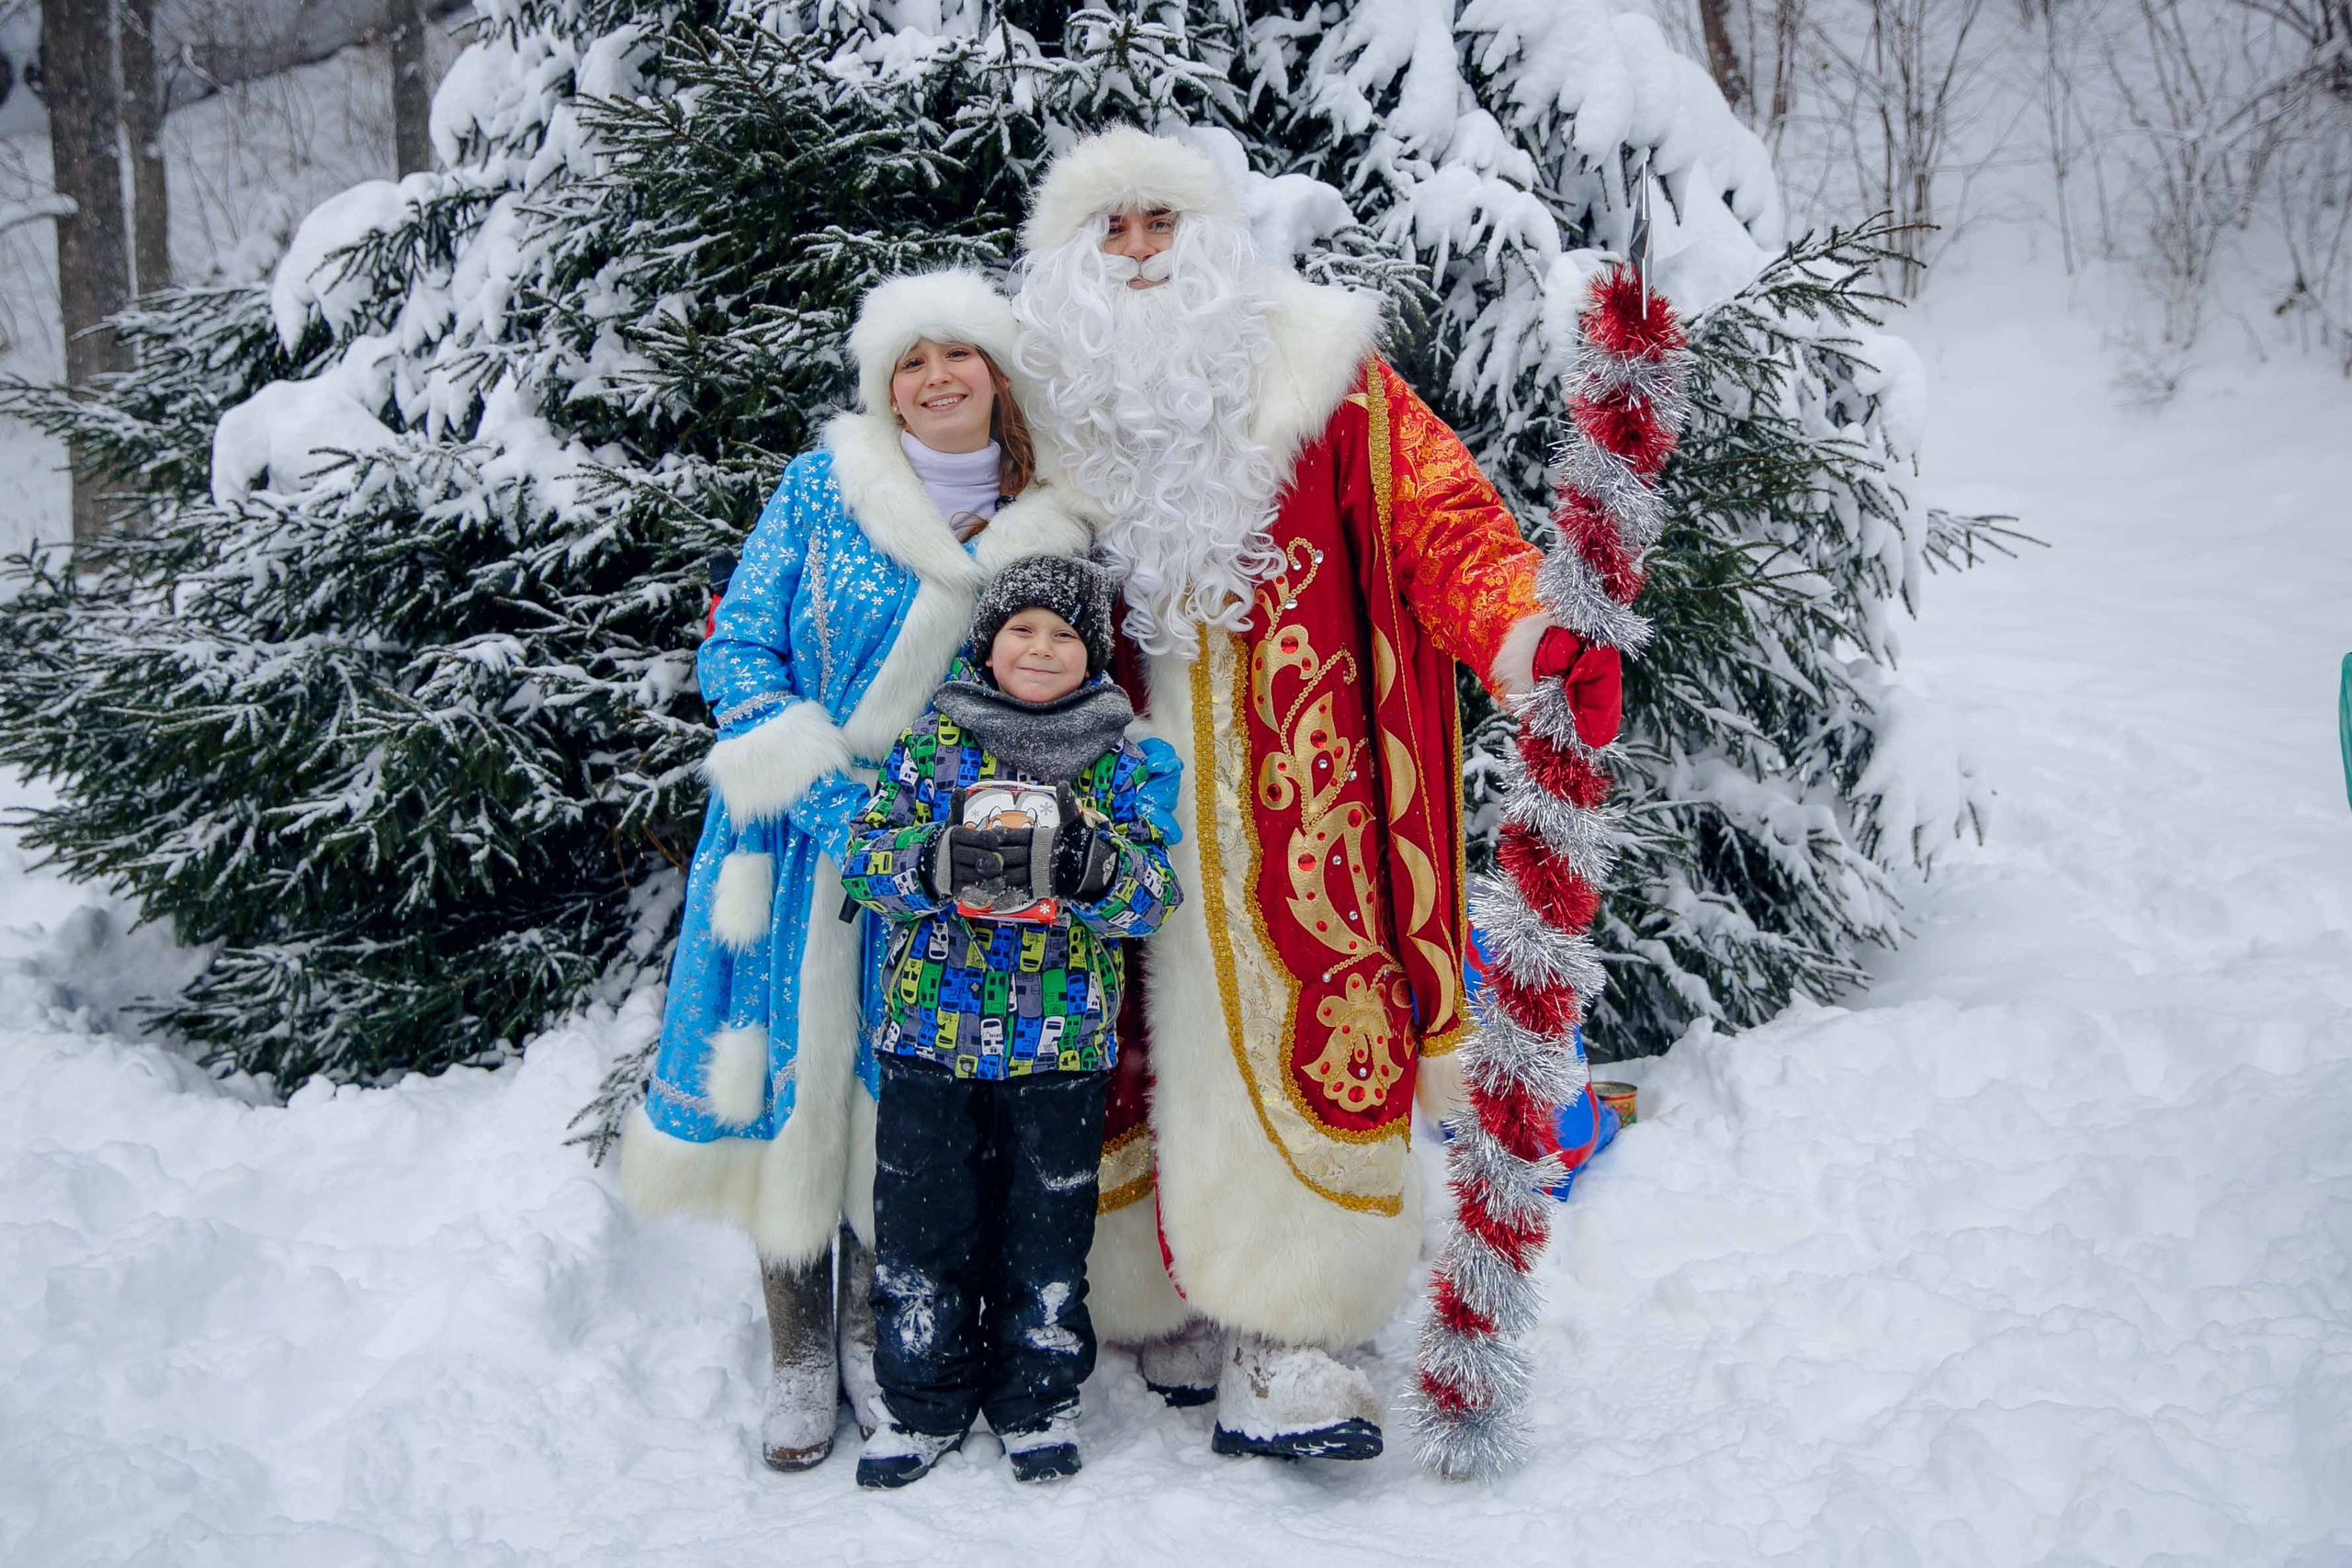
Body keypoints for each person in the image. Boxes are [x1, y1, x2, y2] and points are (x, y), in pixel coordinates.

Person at [1011, 127, 1626, 1460]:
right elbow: (933, 542)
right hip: (1095, 796)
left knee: (1302, 1022)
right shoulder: (1031, 402)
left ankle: (1290, 1331)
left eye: (1161, 224)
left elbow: (1445, 520)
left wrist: (1531, 632)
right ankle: (1148, 1296)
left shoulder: (1323, 377)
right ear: (1066, 258)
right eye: (1109, 231)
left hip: (1295, 799)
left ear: (1213, 239)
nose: (1137, 255)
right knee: (1104, 1028)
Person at [618, 270, 1099, 1472]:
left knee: (904, 1098)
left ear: (998, 373)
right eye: (910, 361)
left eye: (958, 354)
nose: (936, 378)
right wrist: (829, 794)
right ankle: (794, 1344)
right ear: (885, 385)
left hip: (935, 856)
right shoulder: (822, 485)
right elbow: (739, 645)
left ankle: (876, 1328)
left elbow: (1061, 690)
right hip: (793, 834)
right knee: (788, 1077)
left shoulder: (1052, 519)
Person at [839, 555, 1180, 1488]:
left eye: (1064, 634)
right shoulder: (931, 740)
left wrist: (1090, 868)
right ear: (987, 644)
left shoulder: (1121, 756)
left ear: (1093, 653)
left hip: (1061, 1045)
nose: (1040, 647)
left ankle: (1037, 1401)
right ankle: (921, 1401)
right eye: (1020, 629)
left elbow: (1154, 895)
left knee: (1047, 1237)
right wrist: (933, 860)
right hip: (929, 1038)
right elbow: (863, 858)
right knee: (922, 1232)